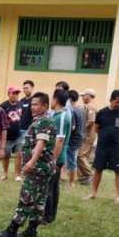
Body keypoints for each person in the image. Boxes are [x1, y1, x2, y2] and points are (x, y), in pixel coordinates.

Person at [0, 92, 57, 237]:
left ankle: (12, 229)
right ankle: (31, 230)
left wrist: (31, 162)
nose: (32, 107)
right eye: (32, 104)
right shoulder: (40, 121)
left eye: (36, 105)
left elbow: (41, 143)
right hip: (42, 168)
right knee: (38, 199)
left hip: (38, 168)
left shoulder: (44, 122)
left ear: (45, 106)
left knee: (26, 197)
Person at [85, 90, 119, 203]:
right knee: (98, 169)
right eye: (117, 102)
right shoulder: (101, 113)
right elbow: (96, 128)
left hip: (117, 147)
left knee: (118, 170)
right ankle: (93, 193)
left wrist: (117, 137)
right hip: (102, 146)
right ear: (111, 100)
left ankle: (118, 196)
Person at [44, 89, 71, 223]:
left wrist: (53, 160)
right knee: (53, 187)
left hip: (56, 157)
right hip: (56, 157)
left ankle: (47, 216)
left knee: (49, 187)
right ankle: (50, 216)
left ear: (55, 100)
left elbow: (60, 140)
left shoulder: (61, 117)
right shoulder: (58, 115)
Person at [0, 86, 24, 183]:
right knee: (6, 155)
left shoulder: (20, 104)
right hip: (7, 137)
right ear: (8, 94)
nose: (15, 95)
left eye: (17, 93)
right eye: (13, 93)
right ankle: (5, 173)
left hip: (18, 136)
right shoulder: (3, 106)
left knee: (19, 154)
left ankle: (17, 175)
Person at [65, 89, 85, 187]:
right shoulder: (81, 108)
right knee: (73, 159)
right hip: (80, 137)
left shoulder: (72, 111)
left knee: (72, 161)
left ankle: (71, 182)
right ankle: (72, 180)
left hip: (73, 139)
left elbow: (72, 127)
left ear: (69, 99)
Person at [76, 88, 97, 183]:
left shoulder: (91, 107)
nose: (82, 97)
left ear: (88, 96)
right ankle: (84, 177)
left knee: (80, 155)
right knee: (84, 156)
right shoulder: (88, 106)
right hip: (88, 135)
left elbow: (91, 121)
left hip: (88, 135)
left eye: (83, 95)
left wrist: (82, 129)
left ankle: (90, 174)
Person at [16, 80, 36, 179]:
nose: (25, 90)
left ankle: (28, 169)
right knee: (20, 151)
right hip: (20, 129)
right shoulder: (21, 101)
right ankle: (19, 170)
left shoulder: (34, 101)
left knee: (28, 150)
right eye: (24, 88)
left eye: (27, 88)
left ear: (32, 88)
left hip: (29, 129)